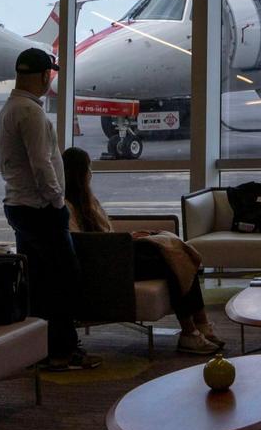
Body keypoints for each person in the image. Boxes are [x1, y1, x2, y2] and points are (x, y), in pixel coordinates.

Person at [0, 48, 102, 371]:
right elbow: (41, 164)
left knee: (39, 283)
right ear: (44, 75)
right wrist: (58, 202)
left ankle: (41, 349)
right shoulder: (30, 113)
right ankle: (63, 350)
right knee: (64, 280)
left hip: (19, 206)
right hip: (40, 210)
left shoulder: (9, 109)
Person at [63, 147, 223, 355]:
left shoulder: (88, 202)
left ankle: (195, 329)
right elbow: (85, 244)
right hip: (107, 264)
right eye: (88, 169)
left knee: (173, 253)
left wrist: (130, 237)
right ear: (80, 173)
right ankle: (193, 329)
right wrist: (123, 241)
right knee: (170, 260)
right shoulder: (67, 207)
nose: (91, 173)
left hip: (115, 255)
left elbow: (104, 235)